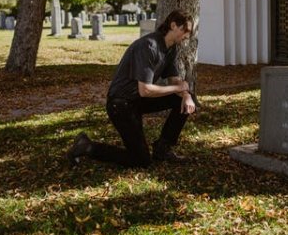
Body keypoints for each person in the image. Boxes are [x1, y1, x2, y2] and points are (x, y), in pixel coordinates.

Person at [67, 9, 196, 168]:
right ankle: (87, 146)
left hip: (138, 100)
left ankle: (163, 148)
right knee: (141, 161)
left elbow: (175, 79)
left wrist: (185, 94)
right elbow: (146, 90)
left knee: (185, 99)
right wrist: (178, 88)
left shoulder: (171, 48)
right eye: (186, 30)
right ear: (173, 25)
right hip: (121, 104)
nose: (187, 36)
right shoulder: (149, 46)